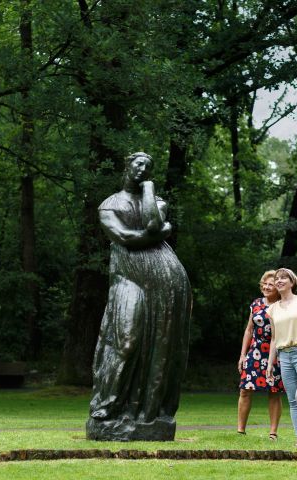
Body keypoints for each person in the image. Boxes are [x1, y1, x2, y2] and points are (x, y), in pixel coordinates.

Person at [86, 152, 192, 441]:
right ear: (126, 164)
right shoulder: (110, 205)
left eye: (148, 166)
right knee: (127, 340)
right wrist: (161, 233)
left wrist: (149, 191)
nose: (142, 168)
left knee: (160, 345)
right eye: (138, 163)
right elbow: (127, 239)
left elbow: (153, 224)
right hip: (128, 279)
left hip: (165, 283)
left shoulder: (155, 201)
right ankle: (108, 404)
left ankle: (148, 412)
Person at [266, 267, 297, 448]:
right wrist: (271, 363)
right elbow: (274, 338)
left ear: (292, 282)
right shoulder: (272, 309)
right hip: (284, 356)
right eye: (277, 278)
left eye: (284, 278)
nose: (279, 280)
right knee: (293, 400)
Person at [237, 270, 284, 440]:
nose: (266, 286)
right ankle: (240, 431)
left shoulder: (282, 305)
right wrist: (243, 355)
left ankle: (273, 432)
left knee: (274, 391)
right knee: (245, 390)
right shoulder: (256, 303)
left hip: (275, 352)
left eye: (270, 284)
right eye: (264, 283)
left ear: (278, 288)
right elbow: (249, 330)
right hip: (254, 352)